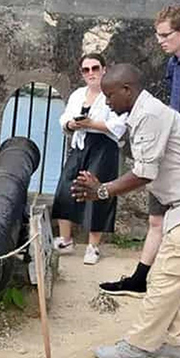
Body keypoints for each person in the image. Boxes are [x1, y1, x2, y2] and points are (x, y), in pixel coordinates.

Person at [71, 64, 180, 358]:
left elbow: (144, 173)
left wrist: (102, 191)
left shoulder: (150, 115)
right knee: (179, 278)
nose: (107, 101)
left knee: (165, 276)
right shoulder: (144, 113)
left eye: (110, 95)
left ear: (127, 90)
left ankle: (138, 345)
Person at [99, 4, 180, 297]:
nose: (160, 41)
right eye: (158, 35)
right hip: (164, 149)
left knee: (179, 225)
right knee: (158, 221)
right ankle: (143, 277)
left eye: (166, 35)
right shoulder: (174, 64)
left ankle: (164, 283)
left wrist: (174, 132)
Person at [51, 53, 127, 265]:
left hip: (103, 147)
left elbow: (119, 125)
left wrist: (91, 124)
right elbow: (65, 117)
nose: (91, 73)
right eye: (86, 70)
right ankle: (65, 239)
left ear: (104, 69)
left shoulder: (113, 94)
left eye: (95, 68)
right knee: (65, 189)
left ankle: (93, 246)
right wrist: (72, 125)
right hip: (80, 144)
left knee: (97, 193)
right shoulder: (78, 94)